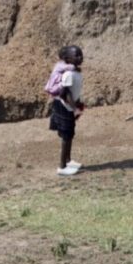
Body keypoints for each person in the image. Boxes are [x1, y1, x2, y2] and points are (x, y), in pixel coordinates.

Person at [47, 45, 85, 176]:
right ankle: (62, 167)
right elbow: (65, 93)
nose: (80, 57)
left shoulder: (76, 72)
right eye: (77, 55)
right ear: (67, 58)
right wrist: (75, 108)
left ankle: (68, 161)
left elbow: (74, 91)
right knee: (66, 136)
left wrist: (77, 102)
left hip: (69, 106)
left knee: (70, 134)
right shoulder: (68, 74)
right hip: (64, 106)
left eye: (81, 54)